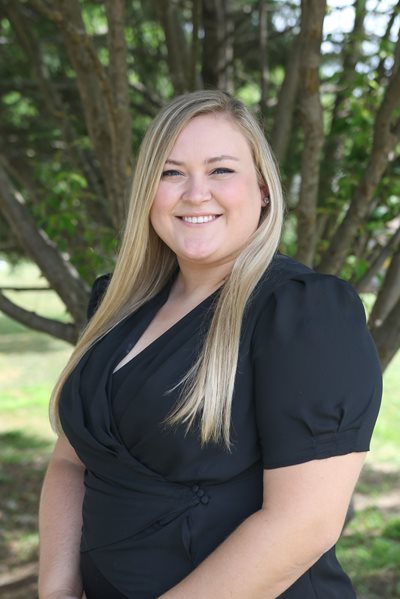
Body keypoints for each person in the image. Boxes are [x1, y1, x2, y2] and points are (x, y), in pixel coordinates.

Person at [38, 90, 382, 599]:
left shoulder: (304, 314)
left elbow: (304, 525)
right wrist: (58, 590)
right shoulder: (117, 303)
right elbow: (73, 460)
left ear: (263, 188)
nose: (195, 193)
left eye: (221, 170)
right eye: (171, 172)